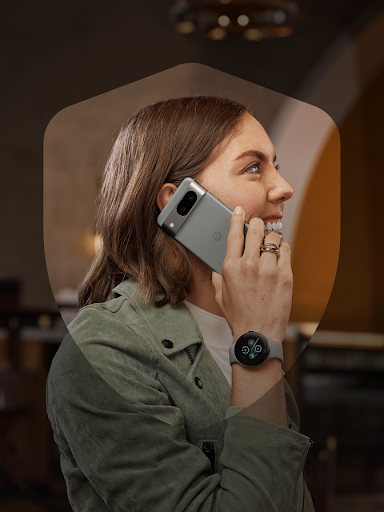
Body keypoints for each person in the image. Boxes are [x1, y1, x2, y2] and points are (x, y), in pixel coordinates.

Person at [46, 96, 315, 511]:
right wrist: (257, 345)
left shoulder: (240, 325)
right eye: (254, 166)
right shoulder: (101, 351)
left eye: (275, 164)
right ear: (179, 202)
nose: (284, 187)